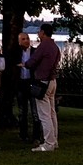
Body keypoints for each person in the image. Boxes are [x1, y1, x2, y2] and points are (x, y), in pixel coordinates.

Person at [24, 24, 60, 152]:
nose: (38, 34)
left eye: (39, 32)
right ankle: (54, 140)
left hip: (42, 81)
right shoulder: (55, 47)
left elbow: (32, 61)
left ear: (43, 32)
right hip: (52, 81)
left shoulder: (43, 46)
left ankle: (49, 143)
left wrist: (25, 64)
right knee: (52, 113)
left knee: (44, 114)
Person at [15, 32, 42, 144]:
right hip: (21, 84)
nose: (26, 41)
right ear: (19, 41)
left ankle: (36, 136)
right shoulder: (16, 53)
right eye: (23, 39)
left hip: (32, 83)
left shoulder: (35, 52)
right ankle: (23, 135)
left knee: (35, 111)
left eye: (27, 38)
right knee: (22, 111)